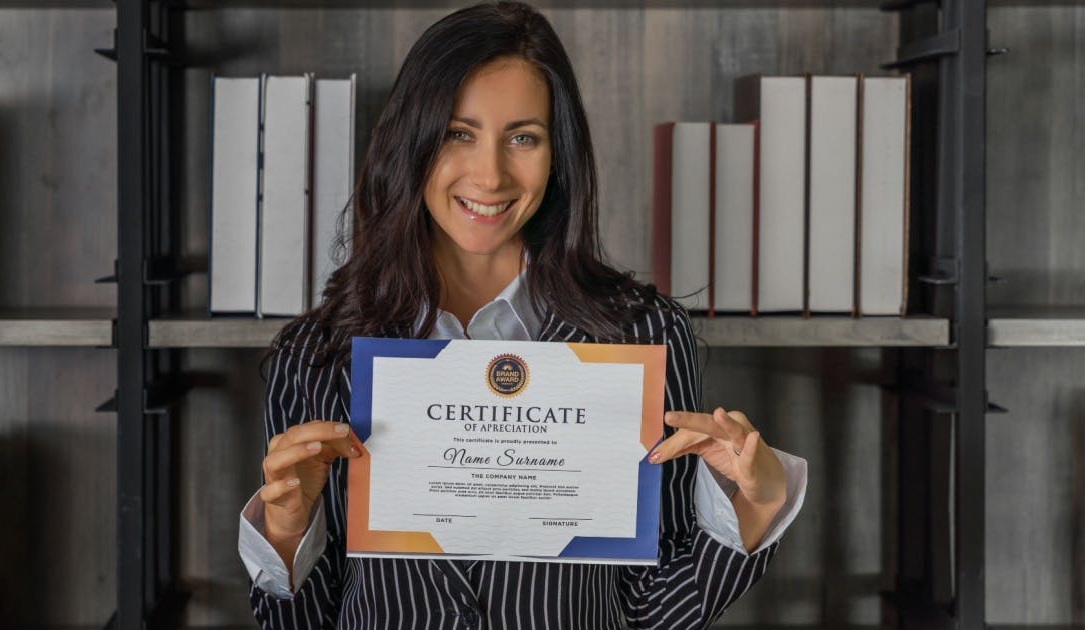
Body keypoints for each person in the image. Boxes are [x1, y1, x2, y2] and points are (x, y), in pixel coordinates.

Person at [238, 2, 807, 627]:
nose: (490, 174)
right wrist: (289, 535)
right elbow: (301, 619)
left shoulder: (640, 335)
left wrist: (758, 504)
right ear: (411, 140)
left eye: (523, 137)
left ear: (557, 153)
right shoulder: (317, 353)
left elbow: (651, 611)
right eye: (459, 132)